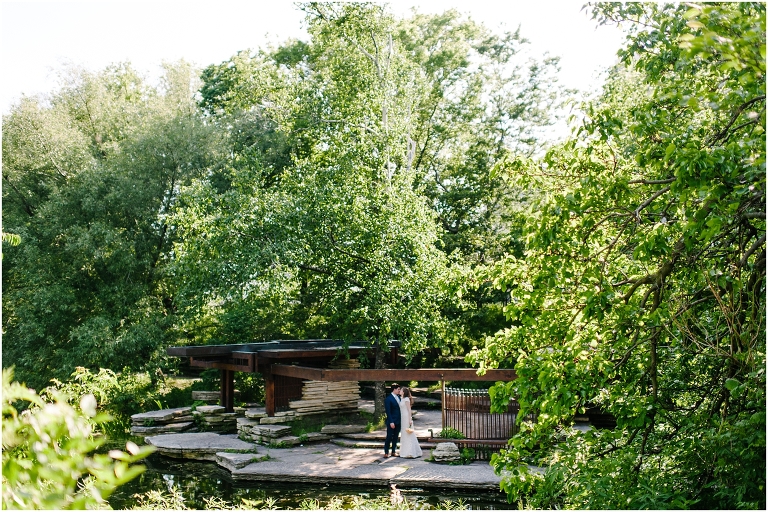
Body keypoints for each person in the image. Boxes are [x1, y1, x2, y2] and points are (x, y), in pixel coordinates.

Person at [397, 387, 422, 458]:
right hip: (402, 417)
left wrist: (410, 419)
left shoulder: (406, 399)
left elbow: (409, 409)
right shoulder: (401, 399)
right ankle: (404, 450)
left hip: (406, 417)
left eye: (401, 390)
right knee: (404, 434)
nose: (400, 391)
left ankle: (410, 451)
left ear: (404, 392)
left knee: (408, 433)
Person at [384, 383, 402, 457]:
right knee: (389, 436)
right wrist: (391, 421)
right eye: (398, 389)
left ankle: (393, 451)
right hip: (392, 421)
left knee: (396, 437)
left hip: (398, 420)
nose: (399, 391)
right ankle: (386, 452)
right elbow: (388, 411)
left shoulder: (399, 398)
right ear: (394, 389)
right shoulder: (388, 399)